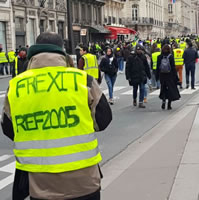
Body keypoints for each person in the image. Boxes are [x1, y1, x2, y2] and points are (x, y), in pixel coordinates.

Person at [1, 32, 112, 200]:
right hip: (84, 181)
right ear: (62, 52)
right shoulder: (82, 80)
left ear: (33, 53)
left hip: (41, 184)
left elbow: (9, 129)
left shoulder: (16, 86)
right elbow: (103, 120)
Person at [156, 44, 180, 110]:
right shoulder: (171, 57)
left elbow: (158, 67)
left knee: (163, 88)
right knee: (170, 89)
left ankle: (163, 100)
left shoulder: (159, 57)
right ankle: (169, 104)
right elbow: (173, 68)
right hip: (170, 75)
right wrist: (176, 77)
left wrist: (157, 76)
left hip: (162, 75)